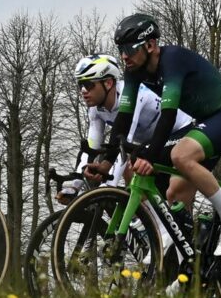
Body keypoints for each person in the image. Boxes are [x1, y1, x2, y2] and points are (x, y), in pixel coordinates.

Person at [105, 13, 221, 272]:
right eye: (121, 50)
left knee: (180, 156)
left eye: (129, 48)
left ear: (150, 45)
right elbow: (123, 120)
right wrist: (106, 161)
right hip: (206, 122)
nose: (124, 56)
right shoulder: (134, 72)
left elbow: (169, 115)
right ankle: (189, 262)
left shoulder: (171, 60)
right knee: (173, 194)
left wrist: (149, 155)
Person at [57, 54, 192, 205]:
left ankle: (145, 216)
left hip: (181, 130)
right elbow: (91, 147)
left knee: (131, 165)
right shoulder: (95, 109)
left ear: (108, 83)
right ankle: (147, 220)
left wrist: (107, 188)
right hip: (154, 141)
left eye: (88, 85)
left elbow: (123, 146)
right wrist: (75, 182)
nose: (83, 90)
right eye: (80, 84)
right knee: (137, 182)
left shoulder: (131, 95)